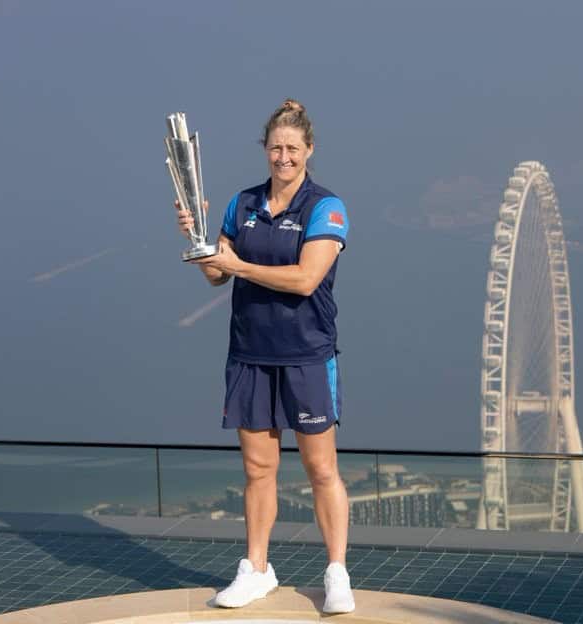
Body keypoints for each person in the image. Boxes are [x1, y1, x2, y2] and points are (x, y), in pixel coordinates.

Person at [175, 99, 354, 613]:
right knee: (258, 469)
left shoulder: (326, 207)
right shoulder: (242, 203)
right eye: (275, 148)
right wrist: (196, 238)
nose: (283, 157)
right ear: (265, 149)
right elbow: (216, 273)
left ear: (309, 150)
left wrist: (239, 264)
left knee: (322, 469)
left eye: (292, 148)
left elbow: (305, 279)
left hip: (307, 355)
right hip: (250, 354)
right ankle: (256, 569)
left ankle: (337, 572)